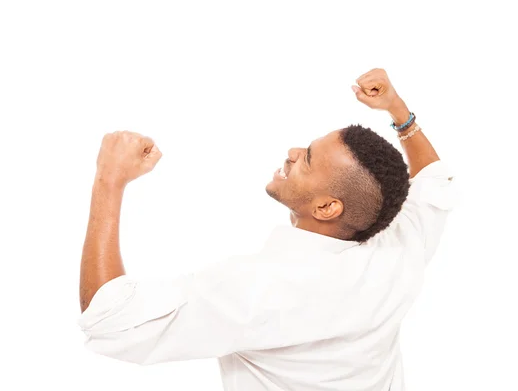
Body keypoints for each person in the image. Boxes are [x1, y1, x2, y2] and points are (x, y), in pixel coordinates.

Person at [78, 68, 457, 391]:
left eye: (307, 161)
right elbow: (433, 181)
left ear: (327, 207)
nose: (292, 152)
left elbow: (108, 320)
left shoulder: (258, 288)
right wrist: (398, 111)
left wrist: (109, 180)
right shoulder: (400, 252)